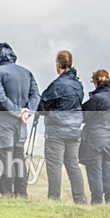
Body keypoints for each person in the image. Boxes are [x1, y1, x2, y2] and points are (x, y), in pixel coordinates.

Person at [36, 50, 87, 203]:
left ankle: (54, 199)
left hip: (57, 131)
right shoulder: (78, 85)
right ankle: (80, 199)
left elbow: (42, 105)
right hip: (74, 131)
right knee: (72, 165)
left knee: (54, 166)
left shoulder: (58, 84)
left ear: (58, 64)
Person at [0, 43, 40, 197]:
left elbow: (0, 97)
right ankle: (21, 193)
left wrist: (17, 112)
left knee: (6, 157)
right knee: (19, 156)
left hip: (4, 120)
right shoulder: (27, 72)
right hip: (22, 121)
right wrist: (27, 111)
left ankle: (6, 193)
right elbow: (36, 95)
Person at [79, 69, 110, 206]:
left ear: (95, 83)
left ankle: (96, 204)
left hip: (95, 140)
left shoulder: (96, 99)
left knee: (94, 173)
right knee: (107, 176)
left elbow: (82, 116)